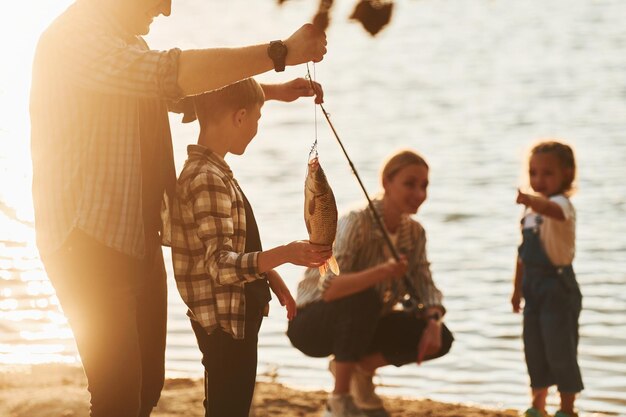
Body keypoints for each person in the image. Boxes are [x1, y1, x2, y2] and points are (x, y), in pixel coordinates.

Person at [29, 0, 327, 415]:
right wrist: (279, 53)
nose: (166, 11)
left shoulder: (122, 40)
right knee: (117, 397)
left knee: (148, 387)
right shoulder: (75, 39)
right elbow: (170, 75)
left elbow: (184, 98)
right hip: (88, 243)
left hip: (136, 238)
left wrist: (271, 93)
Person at [166, 77, 332, 417]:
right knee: (228, 409)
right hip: (226, 322)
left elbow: (229, 243)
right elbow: (220, 264)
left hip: (234, 317)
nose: (257, 128)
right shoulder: (207, 178)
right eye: (257, 118)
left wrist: (271, 276)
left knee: (228, 406)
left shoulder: (214, 171)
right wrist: (286, 253)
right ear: (239, 117)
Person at [287, 149, 454, 417]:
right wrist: (383, 272)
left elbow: (426, 285)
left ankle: (361, 370)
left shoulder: (415, 233)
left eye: (424, 186)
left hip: (365, 322)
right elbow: (331, 290)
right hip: (312, 322)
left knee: (441, 337)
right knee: (364, 298)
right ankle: (339, 398)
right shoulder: (356, 220)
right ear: (387, 182)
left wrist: (433, 320)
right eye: (409, 184)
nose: (419, 193)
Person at [511, 141, 583, 417]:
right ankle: (537, 405)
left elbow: (553, 212)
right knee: (534, 347)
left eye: (547, 173)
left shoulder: (561, 204)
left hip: (557, 286)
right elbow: (522, 254)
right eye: (533, 172)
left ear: (566, 174)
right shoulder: (529, 212)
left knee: (560, 348)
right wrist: (516, 289)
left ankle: (567, 408)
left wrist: (531, 199)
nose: (538, 179)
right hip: (533, 286)